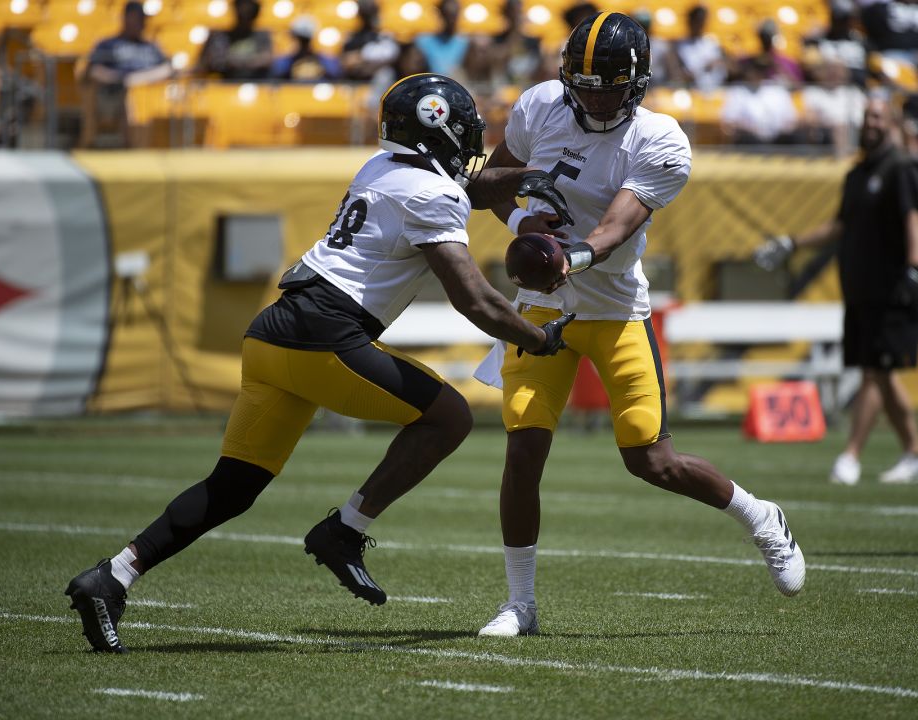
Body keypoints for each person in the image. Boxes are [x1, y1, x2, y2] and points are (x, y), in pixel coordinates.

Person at [64, 74, 579, 653]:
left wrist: (526, 179)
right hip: (325, 335)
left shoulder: (380, 171)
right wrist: (538, 340)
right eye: (461, 132)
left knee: (233, 485)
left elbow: (468, 187)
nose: (469, 145)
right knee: (449, 417)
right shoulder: (430, 195)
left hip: (273, 333)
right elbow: (474, 298)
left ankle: (113, 575)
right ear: (440, 131)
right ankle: (344, 530)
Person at [473, 12, 806, 638]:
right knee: (522, 452)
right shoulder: (540, 105)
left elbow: (616, 225)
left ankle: (760, 516)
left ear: (638, 81)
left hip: (613, 307)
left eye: (609, 83)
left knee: (652, 460)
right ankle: (520, 604)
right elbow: (491, 183)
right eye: (586, 82)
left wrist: (565, 258)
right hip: (543, 310)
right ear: (568, 77)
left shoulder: (661, 140)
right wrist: (522, 228)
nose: (596, 94)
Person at [755, 98, 918, 486]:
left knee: (876, 370)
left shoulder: (901, 168)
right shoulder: (857, 173)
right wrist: (792, 243)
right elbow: (839, 225)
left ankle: (851, 455)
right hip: (860, 288)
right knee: (882, 372)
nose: (869, 122)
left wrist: (916, 269)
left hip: (892, 288)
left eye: (877, 116)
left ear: (891, 123)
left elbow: (914, 220)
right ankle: (917, 454)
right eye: (866, 116)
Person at [79, 2, 172, 148]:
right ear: (127, 18)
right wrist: (120, 80)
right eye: (139, 19)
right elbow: (91, 71)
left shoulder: (151, 46)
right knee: (131, 97)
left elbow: (168, 69)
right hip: (113, 94)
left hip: (150, 93)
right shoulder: (108, 44)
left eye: (144, 19)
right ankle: (133, 148)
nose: (143, 23)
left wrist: (137, 80)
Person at [720, 56, 799, 144]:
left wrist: (782, 130)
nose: (757, 73)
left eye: (761, 70)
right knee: (747, 139)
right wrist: (749, 128)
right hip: (750, 139)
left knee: (793, 137)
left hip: (778, 139)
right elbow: (728, 121)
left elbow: (791, 119)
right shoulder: (738, 91)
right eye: (754, 70)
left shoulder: (777, 89)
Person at [194, 0, 274, 80]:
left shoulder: (262, 35)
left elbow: (266, 60)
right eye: (240, 6)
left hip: (257, 83)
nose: (244, 12)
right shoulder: (221, 36)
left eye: (249, 9)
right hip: (225, 85)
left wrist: (234, 61)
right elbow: (208, 62)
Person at [668, 5, 728, 91]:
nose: (699, 24)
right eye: (696, 21)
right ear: (690, 21)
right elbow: (677, 71)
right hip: (692, 89)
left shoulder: (712, 42)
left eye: (701, 21)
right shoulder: (679, 45)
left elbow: (720, 65)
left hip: (715, 89)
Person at [270, 15, 341, 81]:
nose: (303, 43)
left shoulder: (325, 60)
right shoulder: (286, 61)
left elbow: (336, 76)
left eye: (305, 40)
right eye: (301, 39)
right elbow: (276, 77)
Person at [415, 0, 471, 77]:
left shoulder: (466, 41)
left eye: (454, 14)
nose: (451, 19)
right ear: (440, 14)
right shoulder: (423, 40)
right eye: (447, 14)